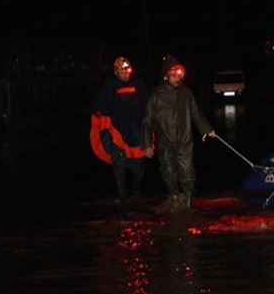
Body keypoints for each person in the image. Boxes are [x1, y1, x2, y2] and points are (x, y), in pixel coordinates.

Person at [142, 56, 215, 212]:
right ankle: (174, 196)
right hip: (165, 141)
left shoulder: (186, 93)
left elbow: (196, 113)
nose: (176, 78)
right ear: (166, 75)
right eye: (173, 75)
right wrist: (147, 144)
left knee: (187, 171)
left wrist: (207, 129)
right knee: (168, 171)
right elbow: (147, 121)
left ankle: (188, 200)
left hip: (184, 140)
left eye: (179, 75)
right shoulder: (156, 95)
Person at [91, 56, 150, 200]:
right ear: (116, 72)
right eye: (123, 71)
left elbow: (149, 108)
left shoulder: (139, 85)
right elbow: (99, 108)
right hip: (117, 135)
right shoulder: (109, 87)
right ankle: (122, 199)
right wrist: (105, 134)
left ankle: (136, 196)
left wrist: (149, 136)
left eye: (128, 70)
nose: (126, 74)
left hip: (136, 134)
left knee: (139, 170)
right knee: (119, 168)